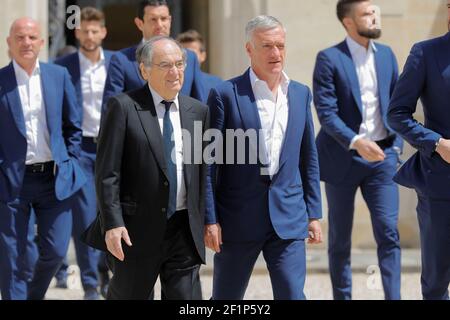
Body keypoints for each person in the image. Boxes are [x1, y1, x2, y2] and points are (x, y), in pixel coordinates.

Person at [204, 15, 323, 300]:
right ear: (249, 49)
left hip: (289, 217)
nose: (276, 53)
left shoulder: (300, 93)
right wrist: (210, 219)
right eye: (267, 46)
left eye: (280, 45)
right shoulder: (224, 94)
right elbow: (207, 165)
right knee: (226, 298)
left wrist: (314, 213)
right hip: (237, 219)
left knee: (293, 295)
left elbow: (308, 157)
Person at [82, 36, 209, 300]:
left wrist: (210, 220)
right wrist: (112, 224)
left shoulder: (198, 111)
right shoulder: (124, 107)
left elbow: (203, 174)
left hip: (183, 232)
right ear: (144, 70)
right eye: (165, 65)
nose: (175, 72)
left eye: (179, 64)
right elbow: (107, 174)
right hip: (135, 233)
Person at [312, 0, 402, 300]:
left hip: (383, 159)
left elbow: (399, 105)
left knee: (389, 232)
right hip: (342, 159)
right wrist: (355, 141)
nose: (374, 17)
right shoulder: (328, 58)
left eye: (375, 11)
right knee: (340, 239)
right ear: (348, 21)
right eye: (367, 13)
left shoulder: (388, 55)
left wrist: (396, 147)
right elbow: (326, 112)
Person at [0, 17, 85, 300]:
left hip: (54, 178)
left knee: (57, 251)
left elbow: (73, 125)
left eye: (32, 37)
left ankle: (32, 296)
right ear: (9, 42)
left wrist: (71, 160)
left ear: (41, 42)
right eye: (20, 37)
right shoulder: (0, 81)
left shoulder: (57, 76)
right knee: (13, 256)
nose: (26, 42)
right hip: (12, 182)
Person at [387, 0, 450, 301]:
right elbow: (396, 114)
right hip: (441, 184)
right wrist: (437, 143)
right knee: (436, 283)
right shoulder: (425, 52)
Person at [54, 7, 113, 300]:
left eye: (95, 31)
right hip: (81, 151)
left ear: (103, 32)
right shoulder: (62, 66)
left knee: (112, 213)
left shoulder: (117, 63)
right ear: (77, 33)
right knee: (86, 217)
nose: (89, 36)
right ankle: (90, 284)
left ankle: (105, 270)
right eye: (84, 31)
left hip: (113, 148)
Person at [102, 0, 205, 108]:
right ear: (139, 23)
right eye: (153, 19)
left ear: (170, 20)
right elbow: (110, 110)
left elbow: (198, 108)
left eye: (164, 19)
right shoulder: (121, 61)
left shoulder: (191, 57)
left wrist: (197, 126)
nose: (159, 25)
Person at [177, 29, 223, 98]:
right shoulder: (173, 81)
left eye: (191, 53)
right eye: (183, 54)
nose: (187, 58)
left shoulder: (216, 83)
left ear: (203, 56)